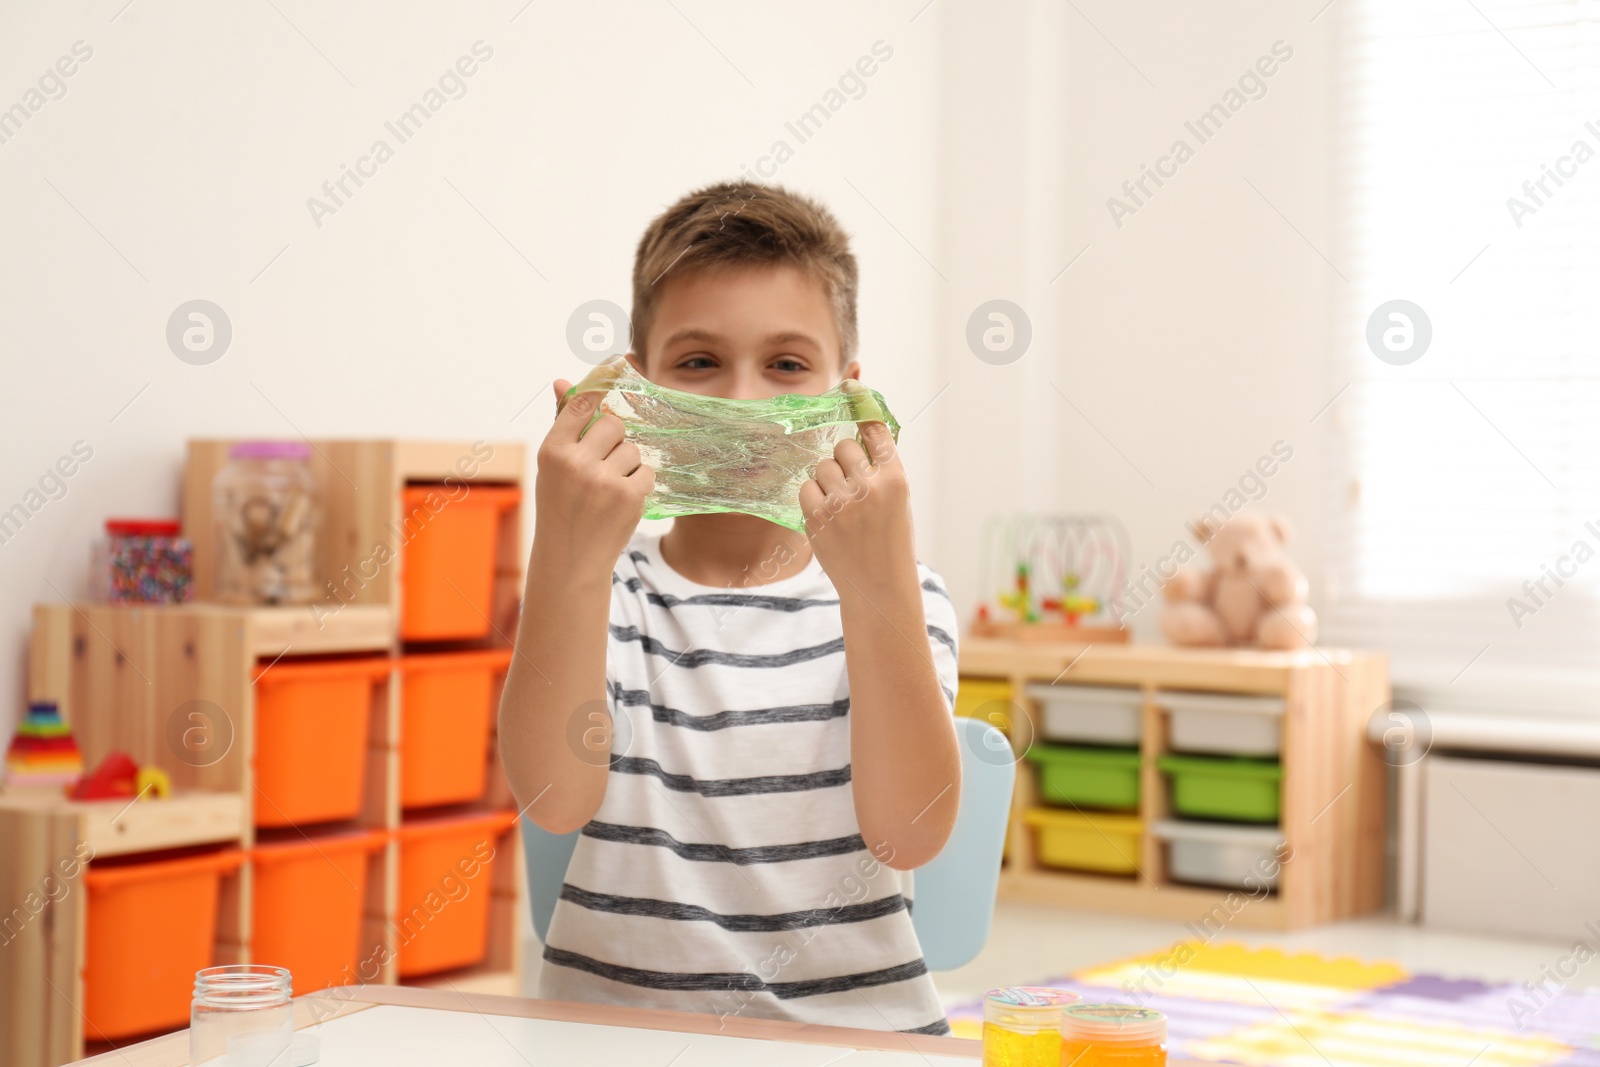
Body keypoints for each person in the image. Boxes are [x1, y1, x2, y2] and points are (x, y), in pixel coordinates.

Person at [499, 181, 962, 1035]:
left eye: (787, 365)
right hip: (609, 1043)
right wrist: (564, 552)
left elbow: (910, 836)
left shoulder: (906, 591)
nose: (744, 402)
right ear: (639, 389)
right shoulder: (606, 588)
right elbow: (553, 800)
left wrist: (878, 583)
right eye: (699, 363)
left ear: (846, 393)